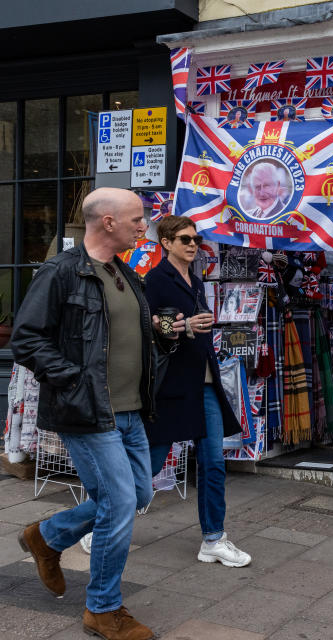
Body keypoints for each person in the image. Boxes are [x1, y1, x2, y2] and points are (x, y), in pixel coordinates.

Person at [10, 187, 184, 640]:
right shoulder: (62, 272)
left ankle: (47, 536)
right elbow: (27, 339)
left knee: (139, 495)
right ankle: (102, 609)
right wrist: (74, 380)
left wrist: (164, 337)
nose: (143, 225)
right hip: (89, 411)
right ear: (108, 221)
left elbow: (128, 338)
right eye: (137, 219)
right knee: (120, 502)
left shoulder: (125, 274)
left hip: (131, 411)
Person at [142, 216, 250, 568]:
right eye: (185, 239)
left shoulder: (197, 280)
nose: (193, 244)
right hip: (171, 387)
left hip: (204, 383)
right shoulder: (156, 280)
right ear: (167, 243)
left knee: (214, 462)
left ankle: (213, 538)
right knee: (149, 464)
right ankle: (97, 524)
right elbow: (145, 322)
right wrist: (183, 325)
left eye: (196, 239)